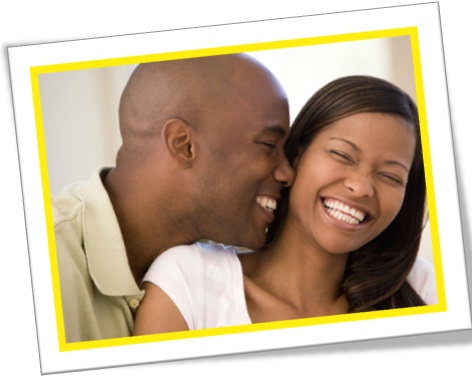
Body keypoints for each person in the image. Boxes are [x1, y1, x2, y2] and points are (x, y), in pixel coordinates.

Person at [133, 75, 437, 334]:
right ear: (297, 155)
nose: (360, 187)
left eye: (389, 176)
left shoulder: (421, 288)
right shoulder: (189, 281)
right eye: (342, 155)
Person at [52, 53, 295, 342]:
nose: (287, 173)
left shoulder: (216, 273)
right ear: (185, 145)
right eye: (268, 144)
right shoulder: (41, 269)